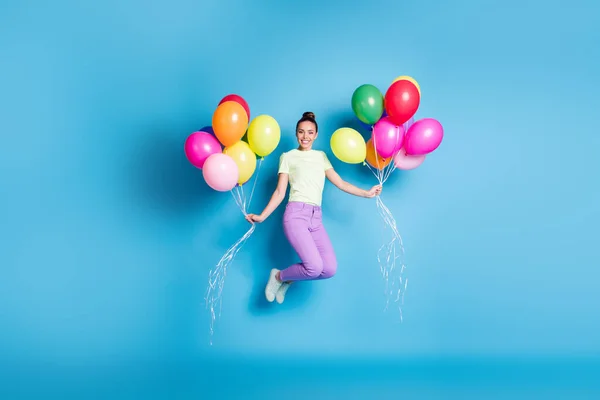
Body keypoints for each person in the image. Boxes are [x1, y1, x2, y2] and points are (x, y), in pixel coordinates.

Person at [245, 112, 382, 304]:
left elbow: (341, 183)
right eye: (301, 132)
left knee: (329, 269)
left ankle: (287, 277)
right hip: (295, 216)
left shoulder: (321, 157)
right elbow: (279, 192)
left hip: (315, 218)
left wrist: (366, 193)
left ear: (316, 134)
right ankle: (278, 277)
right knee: (314, 266)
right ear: (296, 134)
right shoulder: (288, 157)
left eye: (310, 132)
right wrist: (262, 216)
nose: (305, 136)